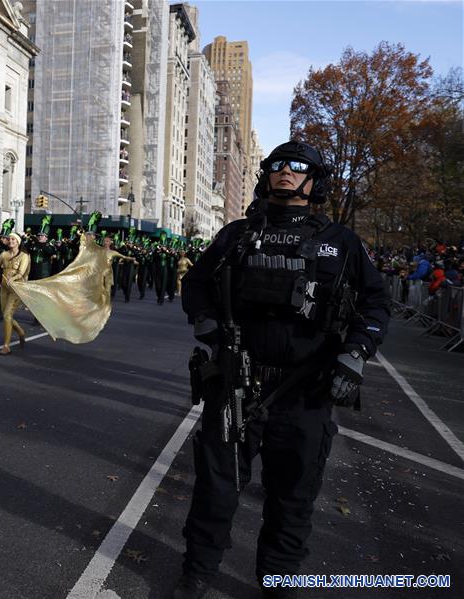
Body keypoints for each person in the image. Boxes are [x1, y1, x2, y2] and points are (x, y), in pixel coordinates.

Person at [172, 141, 390, 599]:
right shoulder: (236, 235)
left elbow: (376, 304)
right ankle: (197, 573)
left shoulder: (342, 243)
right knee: (216, 489)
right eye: (277, 165)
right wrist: (207, 324)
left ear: (314, 181)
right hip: (235, 385)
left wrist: (355, 353)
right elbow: (195, 284)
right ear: (266, 175)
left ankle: (278, 582)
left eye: (297, 166)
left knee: (293, 496)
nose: (286, 171)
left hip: (305, 391)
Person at [0, 233, 30, 355]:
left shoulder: (24, 256)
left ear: (18, 242)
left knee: (7, 315)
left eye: (13, 239)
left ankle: (6, 346)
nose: (10, 241)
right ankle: (21, 331)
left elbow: (21, 273)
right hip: (4, 288)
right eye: (9, 239)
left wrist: (13, 279)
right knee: (6, 315)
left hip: (16, 289)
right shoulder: (4, 254)